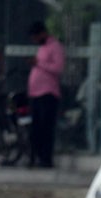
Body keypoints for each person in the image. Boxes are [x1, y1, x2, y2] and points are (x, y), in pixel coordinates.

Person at [27, 20, 64, 168]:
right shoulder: (42, 48)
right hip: (35, 93)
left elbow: (58, 68)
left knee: (46, 128)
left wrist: (39, 64)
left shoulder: (55, 47)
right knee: (35, 128)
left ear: (42, 33)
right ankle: (35, 157)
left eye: (36, 37)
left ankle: (46, 159)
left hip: (48, 93)